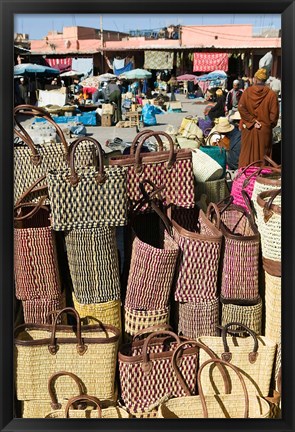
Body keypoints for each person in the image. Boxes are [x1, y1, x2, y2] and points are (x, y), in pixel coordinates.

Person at [238, 67, 279, 168]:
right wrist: (267, 126)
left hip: (249, 128)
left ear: (255, 79)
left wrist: (251, 122)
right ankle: (260, 180)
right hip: (264, 130)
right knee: (263, 157)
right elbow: (274, 116)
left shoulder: (247, 92)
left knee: (247, 155)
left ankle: (245, 178)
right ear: (265, 80)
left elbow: (241, 108)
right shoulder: (272, 95)